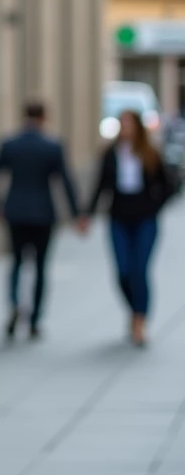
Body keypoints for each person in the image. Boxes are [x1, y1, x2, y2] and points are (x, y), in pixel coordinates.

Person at [0, 101, 88, 340]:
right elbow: (66, 181)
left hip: (16, 212)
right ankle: (34, 320)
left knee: (17, 262)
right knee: (41, 267)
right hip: (44, 214)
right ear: (44, 118)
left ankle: (14, 303)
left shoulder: (10, 143)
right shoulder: (52, 146)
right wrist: (77, 215)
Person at [85, 108, 177, 347]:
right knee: (123, 272)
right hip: (119, 218)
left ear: (137, 126)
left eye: (128, 123)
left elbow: (170, 184)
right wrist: (88, 214)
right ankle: (135, 309)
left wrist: (154, 206)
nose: (125, 128)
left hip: (145, 219)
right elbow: (101, 185)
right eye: (121, 123)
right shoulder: (110, 153)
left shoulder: (150, 152)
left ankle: (140, 321)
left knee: (139, 269)